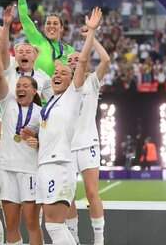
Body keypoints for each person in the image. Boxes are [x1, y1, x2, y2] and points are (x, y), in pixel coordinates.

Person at [38, 7, 101, 245]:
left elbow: (82, 61)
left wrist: (91, 34)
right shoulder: (50, 101)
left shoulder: (72, 96)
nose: (56, 74)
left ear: (71, 79)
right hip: (45, 164)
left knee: (54, 225)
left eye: (63, 72)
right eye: (55, 72)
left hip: (60, 164)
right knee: (52, 224)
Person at [0, 4, 43, 245]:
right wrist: (5, 26)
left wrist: (37, 141)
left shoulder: (41, 113)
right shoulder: (7, 101)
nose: (21, 88)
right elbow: (2, 57)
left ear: (35, 90)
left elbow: (48, 139)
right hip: (7, 168)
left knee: (33, 225)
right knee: (11, 226)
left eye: (26, 86)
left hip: (30, 170)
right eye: (19, 86)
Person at [65, 27, 111, 245]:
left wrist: (91, 39)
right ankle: (73, 238)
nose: (75, 61)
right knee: (69, 196)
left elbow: (106, 59)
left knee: (93, 193)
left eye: (78, 58)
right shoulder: (63, 88)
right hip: (66, 147)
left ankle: (99, 240)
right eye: (70, 60)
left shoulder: (92, 81)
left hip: (88, 144)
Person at [15, 0, 75, 76]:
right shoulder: (38, 41)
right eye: (48, 23)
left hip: (60, 89)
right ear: (44, 27)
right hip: (39, 89)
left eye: (55, 24)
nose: (51, 26)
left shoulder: (69, 50)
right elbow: (24, 18)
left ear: (61, 28)